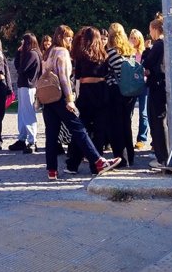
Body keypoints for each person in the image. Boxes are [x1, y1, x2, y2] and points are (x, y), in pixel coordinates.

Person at [42, 25, 120, 181]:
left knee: (51, 134)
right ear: (61, 37)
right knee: (80, 129)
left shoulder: (49, 53)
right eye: (68, 37)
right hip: (63, 97)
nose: (71, 40)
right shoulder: (64, 52)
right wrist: (70, 100)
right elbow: (64, 78)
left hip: (49, 97)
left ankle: (52, 170)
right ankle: (98, 162)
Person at [65, 26, 113, 174]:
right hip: (102, 91)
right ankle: (96, 166)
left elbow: (78, 77)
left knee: (81, 131)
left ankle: (73, 164)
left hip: (86, 92)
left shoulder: (81, 55)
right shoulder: (104, 55)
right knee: (99, 130)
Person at [105, 22, 136, 168]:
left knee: (115, 125)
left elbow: (107, 71)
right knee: (126, 123)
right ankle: (130, 155)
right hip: (130, 91)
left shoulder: (110, 51)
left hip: (116, 90)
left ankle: (121, 158)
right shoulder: (130, 50)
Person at [143, 16, 169, 168]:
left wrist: (146, 50)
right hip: (162, 84)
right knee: (161, 120)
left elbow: (147, 63)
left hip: (157, 85)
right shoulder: (166, 43)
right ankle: (163, 155)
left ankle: (162, 157)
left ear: (154, 29)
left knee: (158, 121)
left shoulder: (159, 45)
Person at [9, 33, 42, 153]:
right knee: (22, 113)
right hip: (24, 86)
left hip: (28, 86)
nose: (21, 44)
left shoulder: (32, 54)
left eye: (23, 41)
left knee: (28, 114)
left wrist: (19, 54)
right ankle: (22, 139)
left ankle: (32, 141)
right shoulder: (32, 53)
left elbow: (20, 68)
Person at [129, 28, 150, 151]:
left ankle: (141, 138)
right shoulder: (128, 52)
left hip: (143, 84)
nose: (133, 40)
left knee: (143, 112)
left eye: (135, 38)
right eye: (131, 37)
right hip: (131, 84)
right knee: (129, 111)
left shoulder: (144, 52)